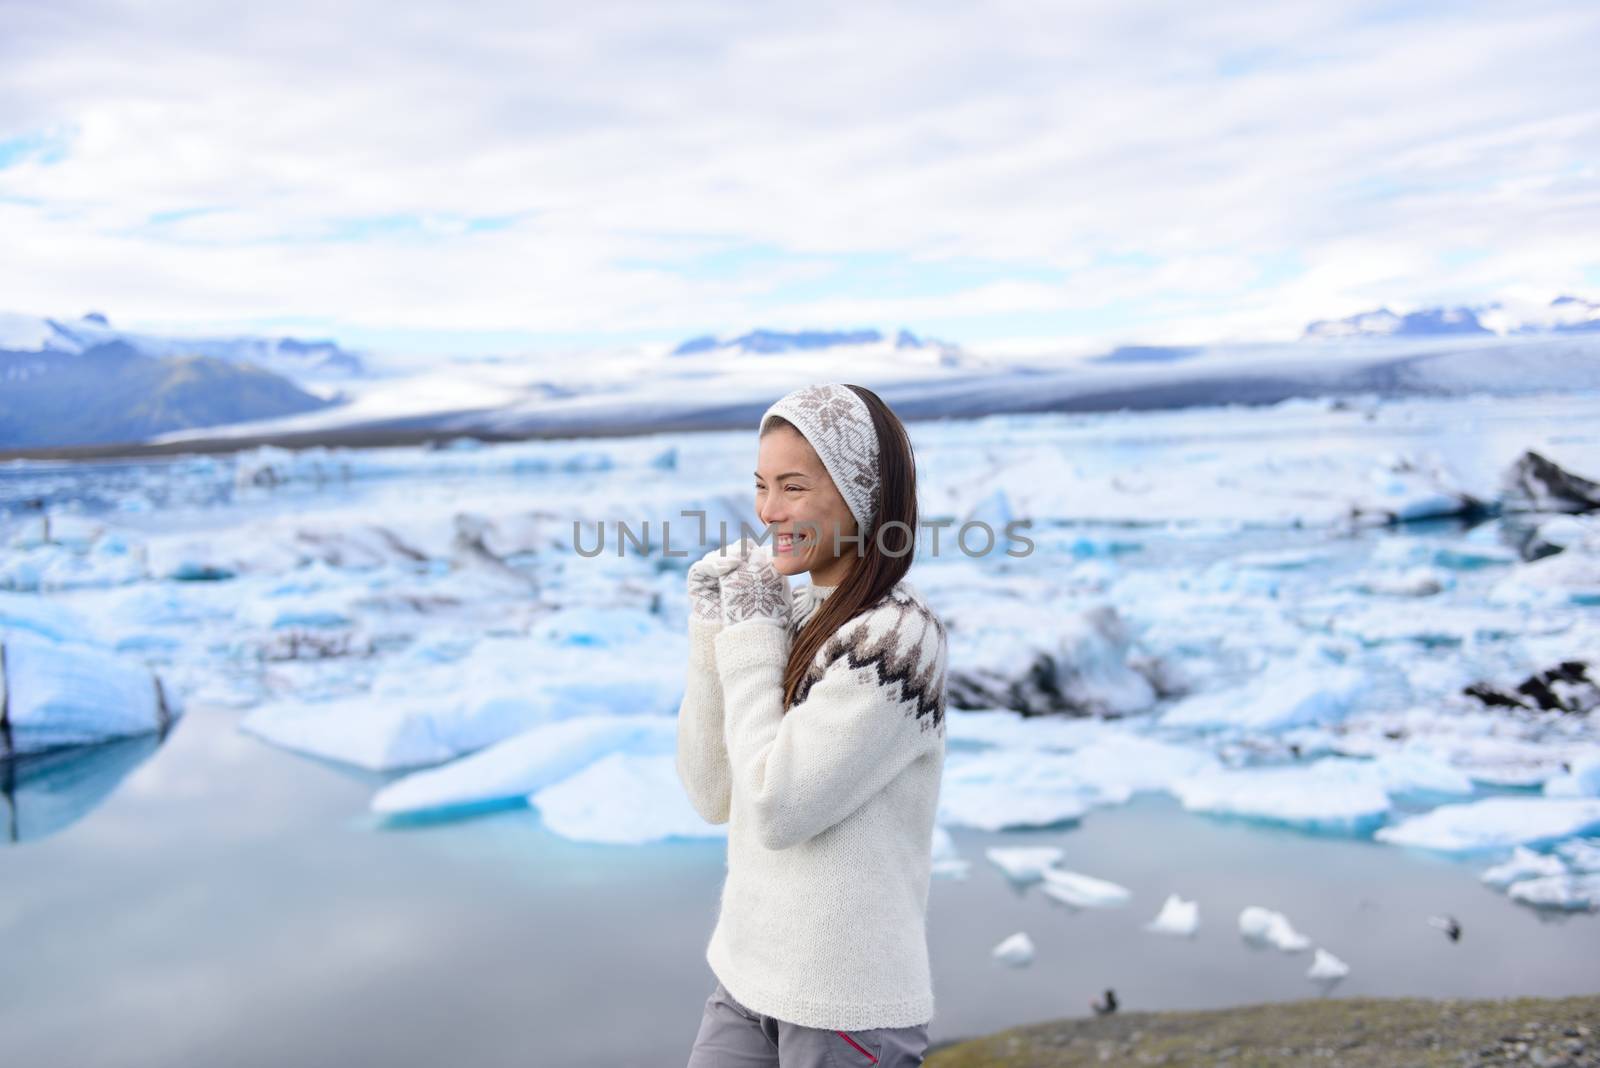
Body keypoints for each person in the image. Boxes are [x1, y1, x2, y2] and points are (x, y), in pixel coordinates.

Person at [677, 382, 949, 1067]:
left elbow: (777, 806)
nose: (768, 511)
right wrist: (715, 626)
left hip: (844, 1006)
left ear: (863, 496)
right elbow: (712, 792)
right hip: (744, 979)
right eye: (762, 486)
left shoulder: (897, 640)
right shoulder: (790, 615)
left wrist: (747, 641)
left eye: (792, 487)